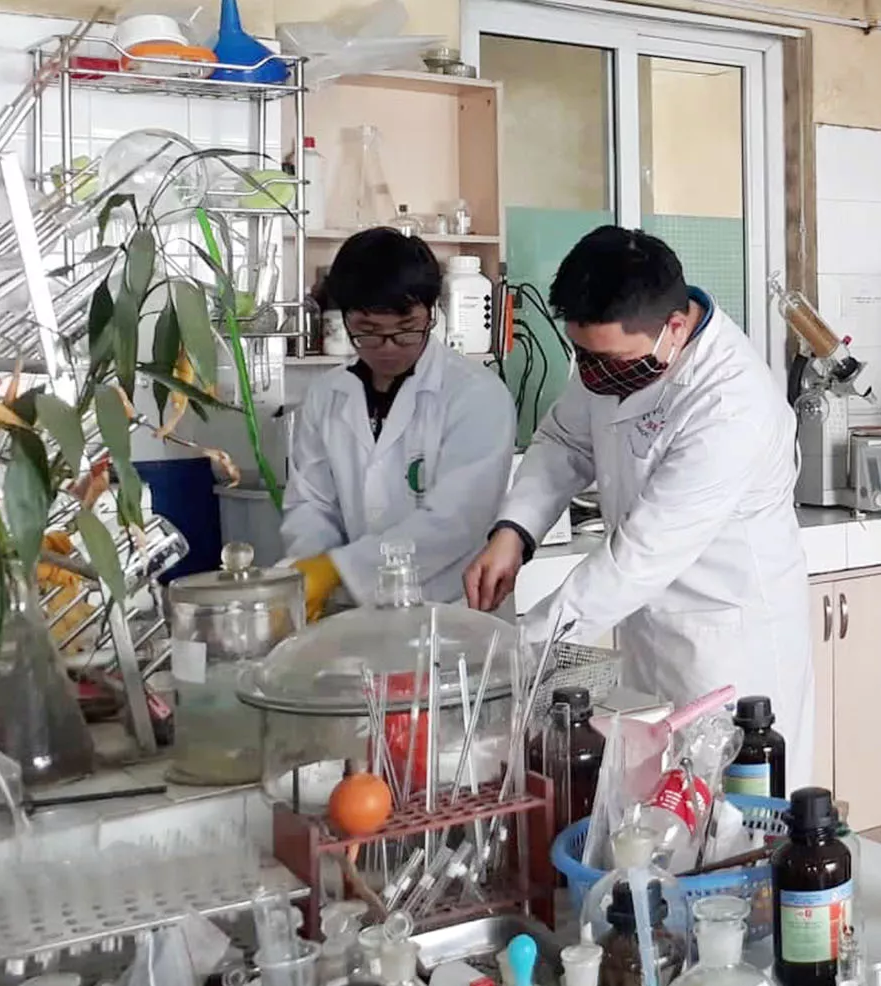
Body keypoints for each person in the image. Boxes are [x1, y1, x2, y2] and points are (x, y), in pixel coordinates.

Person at [463, 227, 814, 786]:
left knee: (732, 808)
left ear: (674, 327)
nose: (593, 375)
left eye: (607, 360)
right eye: (583, 356)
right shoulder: (615, 357)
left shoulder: (730, 404)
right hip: (646, 625)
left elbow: (641, 555)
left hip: (725, 644)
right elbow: (565, 441)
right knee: (651, 802)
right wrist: (514, 532)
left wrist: (519, 653)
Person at [281, 228, 516, 618]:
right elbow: (311, 502)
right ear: (345, 318)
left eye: (406, 330)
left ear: (431, 313)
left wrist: (340, 569)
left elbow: (455, 521)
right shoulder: (326, 396)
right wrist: (312, 568)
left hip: (452, 614)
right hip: (355, 615)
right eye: (368, 332)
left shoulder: (476, 395)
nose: (388, 348)